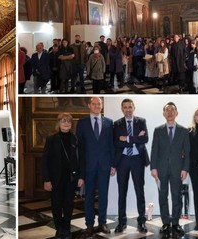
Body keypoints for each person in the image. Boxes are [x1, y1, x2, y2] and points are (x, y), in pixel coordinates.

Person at [76, 97, 115, 237]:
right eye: (94, 104)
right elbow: (79, 148)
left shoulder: (109, 123)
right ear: (89, 106)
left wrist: (113, 164)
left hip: (105, 165)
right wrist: (80, 168)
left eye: (99, 104)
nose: (97, 106)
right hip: (88, 166)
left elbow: (112, 145)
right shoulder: (82, 123)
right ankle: (89, 225)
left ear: (102, 105)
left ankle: (102, 223)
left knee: (103, 195)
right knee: (89, 196)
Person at [150, 102, 190, 236]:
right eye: (167, 110)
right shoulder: (158, 130)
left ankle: (175, 223)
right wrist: (153, 167)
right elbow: (154, 149)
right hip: (160, 170)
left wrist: (185, 168)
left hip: (178, 170)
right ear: (163, 113)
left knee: (176, 197)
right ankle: (166, 223)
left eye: (172, 110)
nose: (170, 112)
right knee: (163, 196)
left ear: (176, 113)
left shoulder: (184, 131)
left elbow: (187, 152)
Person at [42, 113, 84, 239]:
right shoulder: (51, 139)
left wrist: (81, 177)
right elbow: (45, 161)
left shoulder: (76, 139)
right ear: (58, 123)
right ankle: (59, 228)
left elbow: (81, 159)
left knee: (68, 204)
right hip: (55, 179)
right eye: (64, 121)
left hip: (71, 178)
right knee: (56, 204)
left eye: (69, 122)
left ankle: (66, 228)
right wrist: (46, 179)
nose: (66, 123)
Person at [113, 99, 149, 234]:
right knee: (122, 192)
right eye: (125, 107)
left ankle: (142, 222)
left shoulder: (141, 121)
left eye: (130, 107)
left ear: (134, 108)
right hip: (122, 161)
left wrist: (127, 138)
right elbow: (116, 142)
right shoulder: (117, 124)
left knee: (140, 192)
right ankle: (122, 222)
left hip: (137, 160)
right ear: (122, 109)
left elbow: (145, 139)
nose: (128, 109)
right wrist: (135, 139)